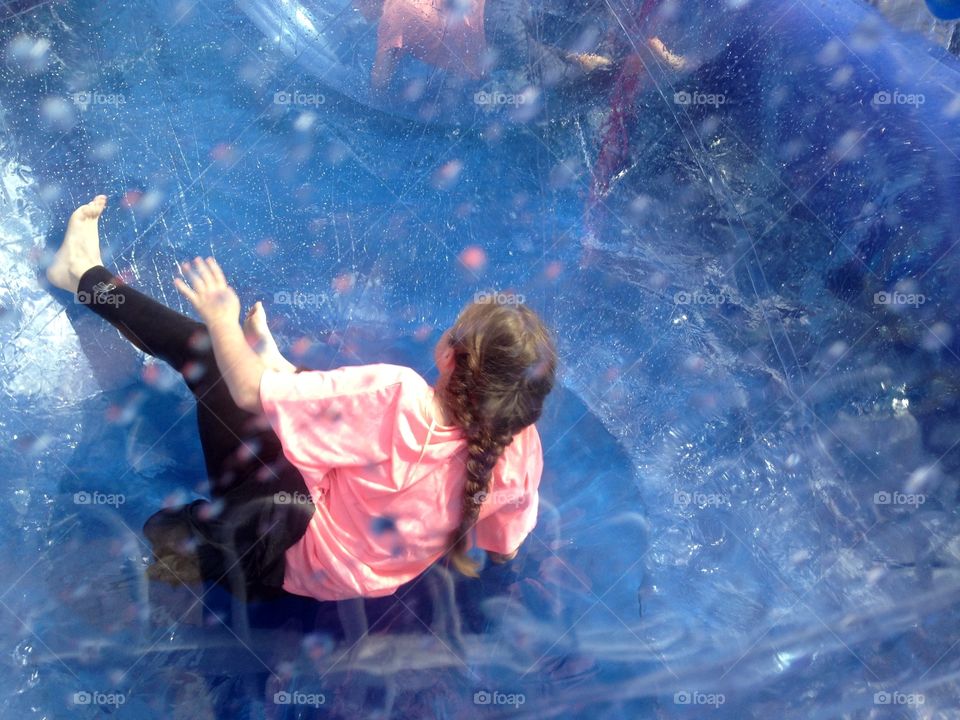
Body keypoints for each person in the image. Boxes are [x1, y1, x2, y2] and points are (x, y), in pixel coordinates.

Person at [45, 195, 557, 601]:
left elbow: (247, 394)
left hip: (277, 550)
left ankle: (81, 275)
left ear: (450, 355)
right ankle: (278, 368)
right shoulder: (518, 441)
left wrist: (223, 319)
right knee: (346, 407)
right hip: (354, 579)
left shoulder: (399, 396)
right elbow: (507, 546)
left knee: (204, 351)